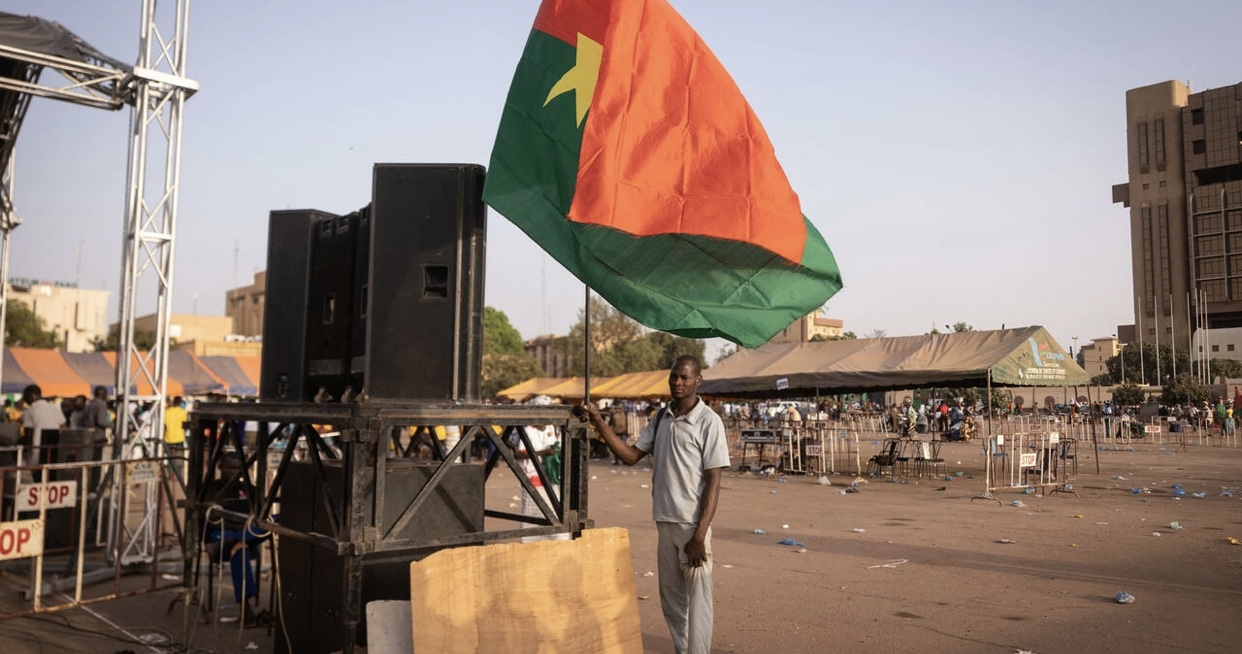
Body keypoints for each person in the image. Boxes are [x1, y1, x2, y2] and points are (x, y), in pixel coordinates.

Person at [578, 355, 729, 654]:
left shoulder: (709, 422)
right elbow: (631, 455)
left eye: (685, 377)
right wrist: (598, 420)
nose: (678, 382)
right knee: (672, 601)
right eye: (674, 376)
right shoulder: (661, 418)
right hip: (664, 520)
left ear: (698, 380)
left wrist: (699, 535)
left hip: (691, 525)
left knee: (698, 599)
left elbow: (714, 483)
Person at [204, 452, 269, 627]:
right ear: (220, 468)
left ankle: (236, 540)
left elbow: (261, 519)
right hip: (220, 534)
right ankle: (245, 611)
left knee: (274, 521)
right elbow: (206, 521)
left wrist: (242, 536)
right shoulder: (211, 488)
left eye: (237, 468)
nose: (233, 472)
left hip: (243, 535)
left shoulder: (250, 490)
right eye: (229, 467)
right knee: (241, 551)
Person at [21, 384, 65, 466]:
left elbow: (29, 433)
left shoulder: (29, 411)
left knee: (37, 471)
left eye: (25, 396)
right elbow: (63, 425)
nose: (24, 399)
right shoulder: (53, 408)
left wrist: (25, 449)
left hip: (37, 447)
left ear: (32, 395)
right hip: (54, 445)